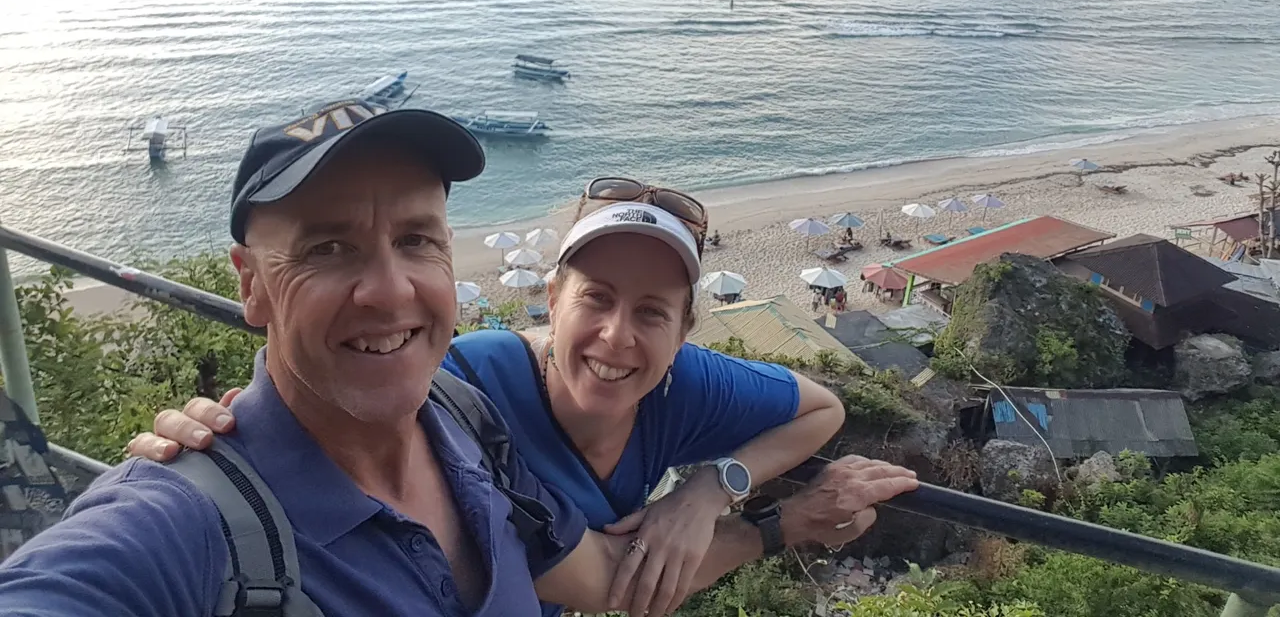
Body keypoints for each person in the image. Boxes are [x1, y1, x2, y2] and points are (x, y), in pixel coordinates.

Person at [3, 99, 920, 617]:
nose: (390, 291)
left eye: (417, 240)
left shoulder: (463, 429)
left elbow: (604, 586)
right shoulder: (185, 529)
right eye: (327, 249)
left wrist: (760, 520)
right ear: (249, 285)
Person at [131, 177, 850, 617]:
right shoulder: (463, 389)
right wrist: (230, 438)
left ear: (684, 330)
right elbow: (333, 411)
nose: (616, 336)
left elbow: (824, 409)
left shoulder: (687, 383)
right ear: (552, 298)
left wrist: (708, 488)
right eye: (595, 298)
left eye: (652, 312)